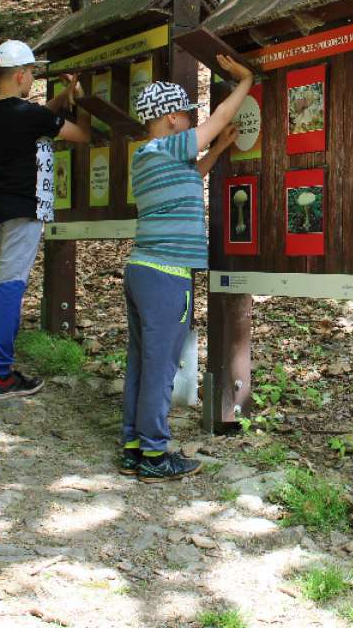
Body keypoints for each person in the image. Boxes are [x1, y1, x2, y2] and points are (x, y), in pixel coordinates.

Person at [121, 55, 253, 483]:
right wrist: (246, 81)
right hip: (167, 275)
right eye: (187, 118)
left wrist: (217, 150)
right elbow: (219, 116)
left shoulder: (147, 157)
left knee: (143, 363)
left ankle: (134, 446)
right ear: (174, 118)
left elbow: (192, 174)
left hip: (142, 270)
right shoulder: (169, 144)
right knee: (160, 368)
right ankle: (156, 457)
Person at [0, 40, 90, 400]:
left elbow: (36, 119)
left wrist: (62, 95)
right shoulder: (29, 117)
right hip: (24, 210)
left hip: (0, 211)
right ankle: (0, 376)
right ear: (19, 74)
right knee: (11, 286)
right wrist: (80, 97)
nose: (32, 77)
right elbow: (81, 135)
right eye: (31, 72)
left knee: (5, 284)